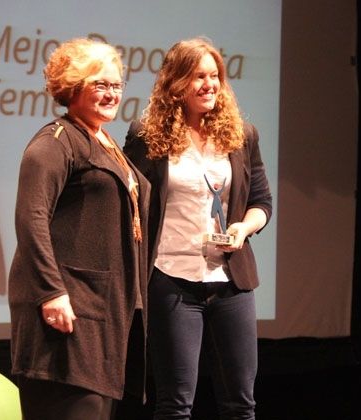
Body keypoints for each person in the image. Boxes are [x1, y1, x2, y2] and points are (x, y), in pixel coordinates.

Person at [124, 37, 272, 419]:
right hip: (171, 278)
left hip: (231, 281)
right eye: (198, 77)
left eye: (215, 76)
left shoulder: (242, 135)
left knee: (241, 404)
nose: (210, 85)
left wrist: (243, 228)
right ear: (176, 83)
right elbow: (129, 204)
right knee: (175, 404)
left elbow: (261, 203)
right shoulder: (146, 135)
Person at [8, 38, 150, 420]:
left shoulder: (106, 142)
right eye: (100, 84)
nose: (112, 93)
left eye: (117, 84)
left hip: (103, 314)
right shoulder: (56, 141)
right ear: (73, 86)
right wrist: (51, 292)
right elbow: (31, 217)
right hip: (68, 314)